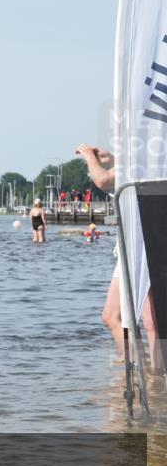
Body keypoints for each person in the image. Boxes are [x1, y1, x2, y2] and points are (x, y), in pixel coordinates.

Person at [76, 143, 160, 370]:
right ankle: (150, 374)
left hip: (138, 245)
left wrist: (88, 156)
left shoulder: (145, 157)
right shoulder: (151, 160)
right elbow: (134, 172)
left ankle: (140, 369)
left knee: (117, 317)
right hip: (147, 242)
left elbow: (102, 180)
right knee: (148, 321)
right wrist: (113, 159)